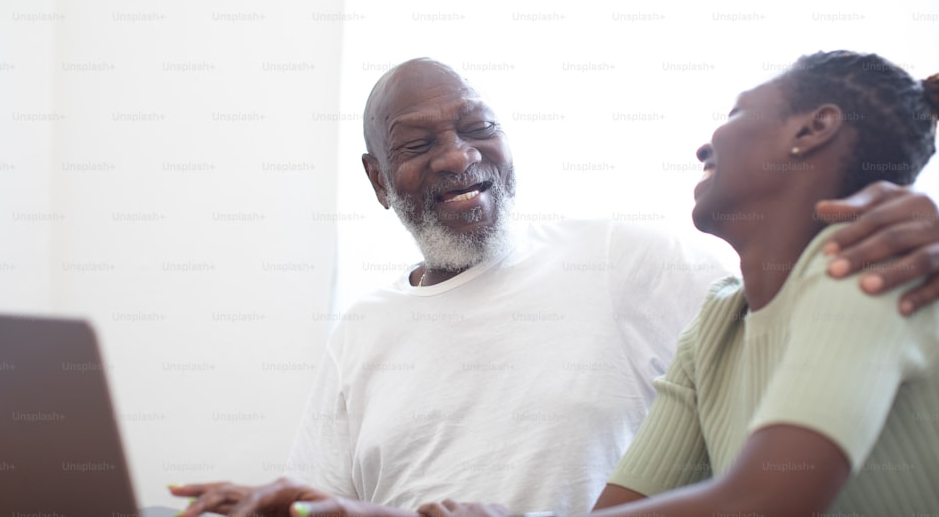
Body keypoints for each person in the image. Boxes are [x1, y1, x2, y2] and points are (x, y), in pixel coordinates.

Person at [171, 57, 939, 517]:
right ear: (377, 180)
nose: (454, 156)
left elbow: (766, 498)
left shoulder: (854, 268)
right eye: (417, 143)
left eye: (475, 127)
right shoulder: (715, 323)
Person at [418, 50, 939, 517]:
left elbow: (765, 500)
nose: (703, 147)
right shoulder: (717, 323)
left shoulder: (868, 270)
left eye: (736, 113)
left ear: (811, 130)